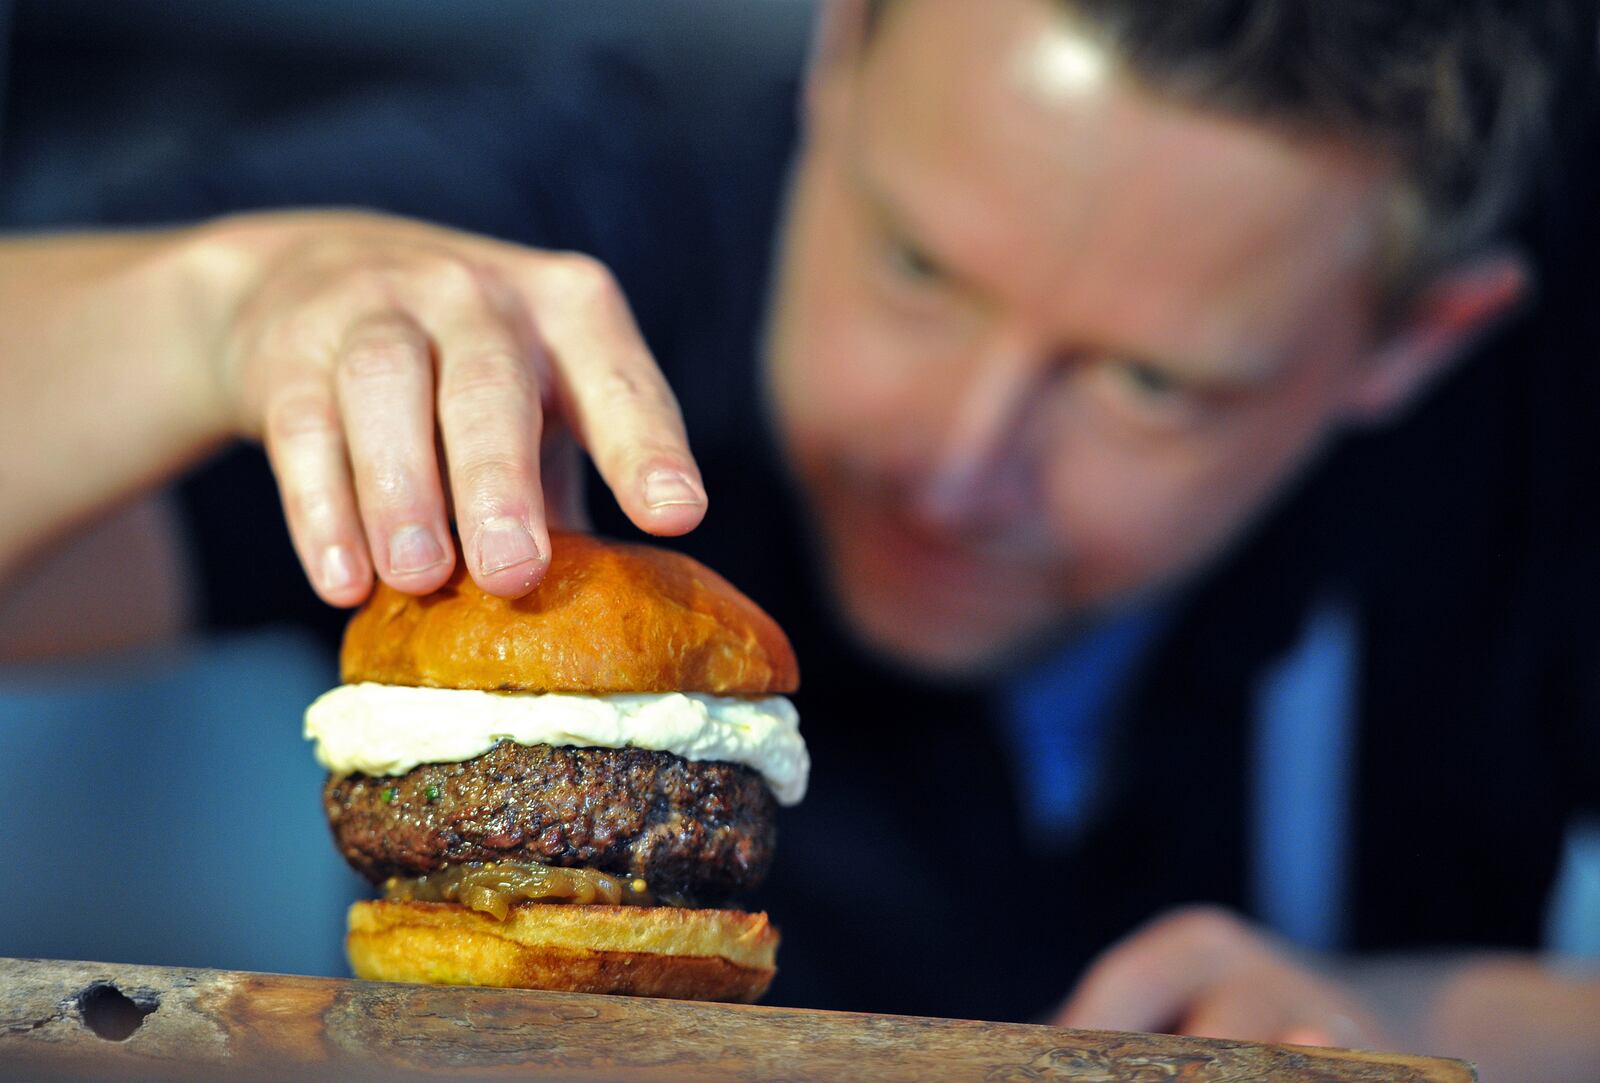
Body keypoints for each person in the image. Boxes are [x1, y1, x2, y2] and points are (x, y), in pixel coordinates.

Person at [2, 0, 1598, 1076]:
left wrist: (1428, 1022)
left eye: (1149, 383)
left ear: (1413, 344)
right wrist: (203, 315)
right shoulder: (562, 232)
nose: (961, 468)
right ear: (837, 58)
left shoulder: (1548, 431)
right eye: (917, 267)